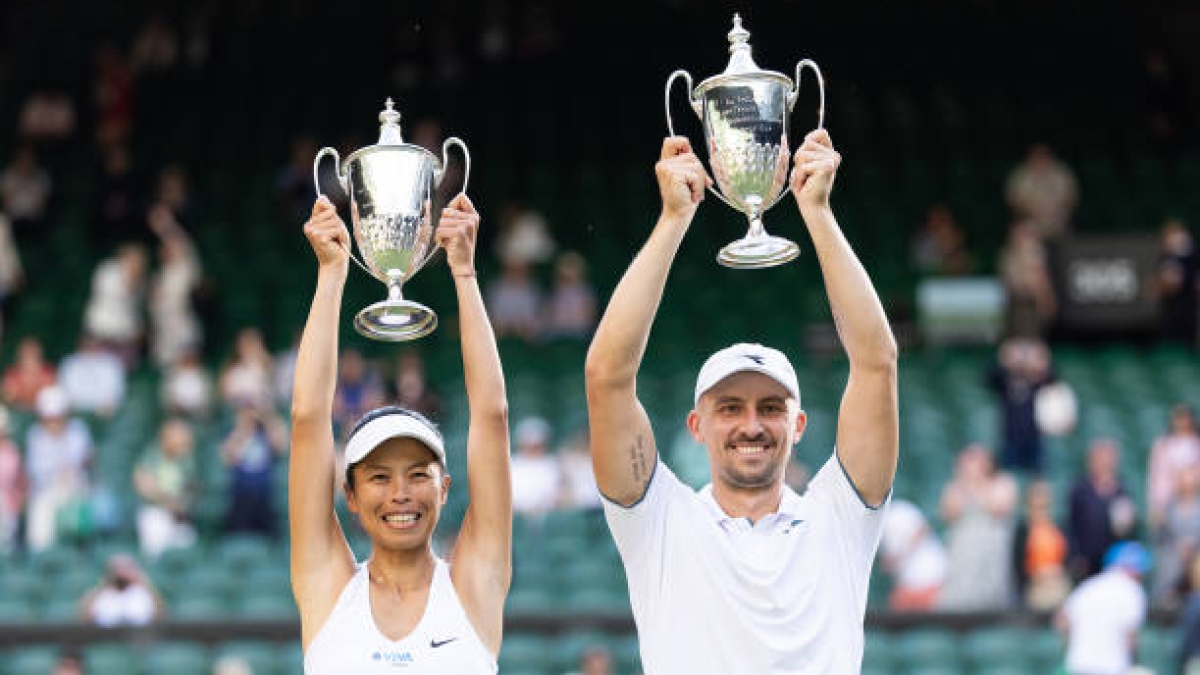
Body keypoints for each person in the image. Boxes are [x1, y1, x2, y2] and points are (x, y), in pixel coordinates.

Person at [584, 131, 897, 673]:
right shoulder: (661, 521)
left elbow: (876, 362)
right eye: (729, 407)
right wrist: (671, 222)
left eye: (770, 408)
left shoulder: (838, 518)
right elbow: (607, 376)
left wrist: (817, 213)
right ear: (696, 425)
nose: (751, 424)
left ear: (798, 423)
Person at [292, 194, 511, 673]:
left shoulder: (474, 588)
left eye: (417, 474)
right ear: (348, 494)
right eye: (378, 477)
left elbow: (492, 417)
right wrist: (331, 274)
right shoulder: (328, 592)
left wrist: (465, 275)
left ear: (443, 487)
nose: (400, 494)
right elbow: (308, 418)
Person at [937, 444, 1018, 611]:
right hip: (963, 551)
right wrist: (966, 484)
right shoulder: (955, 487)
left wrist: (978, 484)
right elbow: (949, 512)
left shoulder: (1002, 482)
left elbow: (1000, 507)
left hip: (991, 550)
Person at [1057, 541, 1149, 675]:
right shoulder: (1132, 591)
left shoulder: (1089, 586)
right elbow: (1130, 637)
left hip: (1078, 665)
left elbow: (1062, 621)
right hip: (1111, 668)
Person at [1068, 438, 1138, 582]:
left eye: (1107, 458)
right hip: (1087, 561)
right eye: (1099, 457)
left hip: (1113, 560)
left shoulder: (1121, 490)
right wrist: (1077, 555)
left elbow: (1127, 530)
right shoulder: (1080, 489)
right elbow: (1072, 525)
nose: (1103, 462)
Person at [80, 553, 165, 626]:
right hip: (106, 638)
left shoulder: (146, 593)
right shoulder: (98, 595)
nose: (121, 572)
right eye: (117, 568)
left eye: (127, 568)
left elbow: (159, 616)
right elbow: (86, 618)